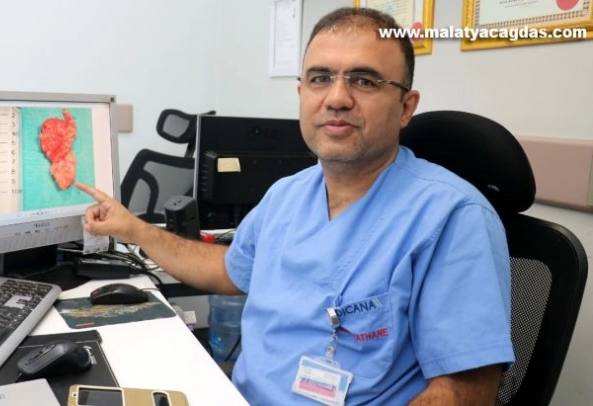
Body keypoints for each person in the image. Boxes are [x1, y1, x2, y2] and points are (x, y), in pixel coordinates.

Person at [76, 6, 514, 405]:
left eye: (364, 80)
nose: (337, 98)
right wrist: (133, 229)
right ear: (302, 92)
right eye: (321, 78)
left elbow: (465, 391)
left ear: (405, 107)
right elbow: (229, 270)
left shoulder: (452, 217)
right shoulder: (287, 194)